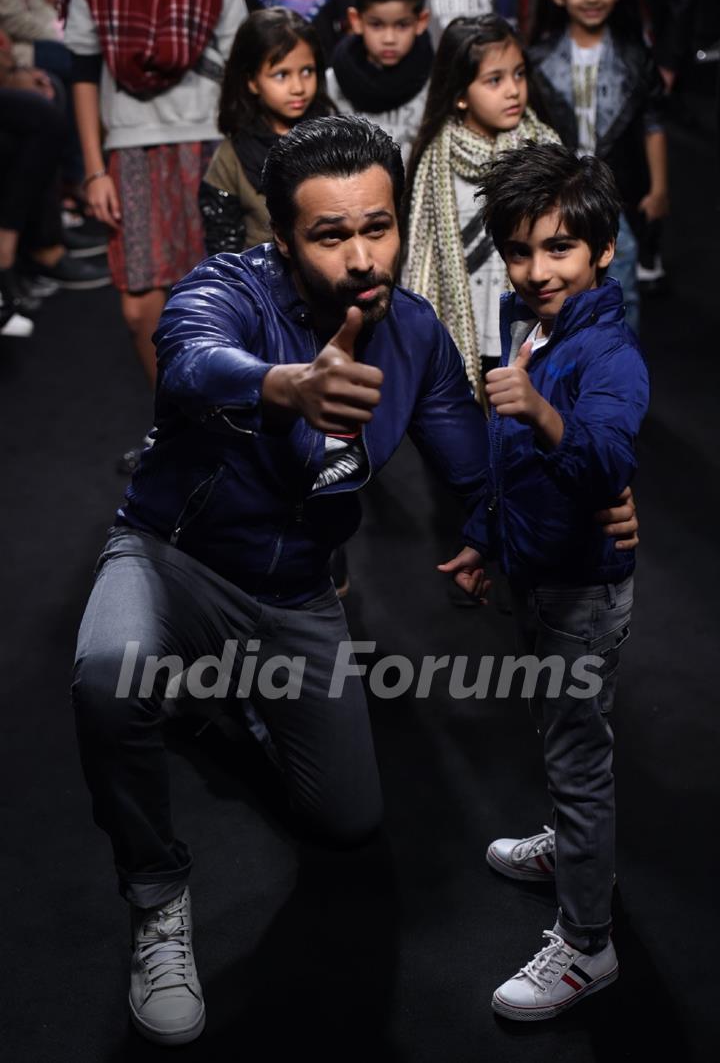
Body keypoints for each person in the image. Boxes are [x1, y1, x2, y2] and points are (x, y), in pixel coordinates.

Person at [71, 115, 639, 1046]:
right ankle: (156, 896)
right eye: (332, 236)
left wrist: (599, 498)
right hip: (174, 557)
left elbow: (477, 474)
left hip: (298, 591)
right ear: (286, 239)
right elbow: (190, 363)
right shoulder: (222, 290)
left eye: (379, 227)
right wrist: (284, 384)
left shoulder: (412, 335)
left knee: (345, 824)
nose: (364, 255)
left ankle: (216, 702)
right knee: (107, 672)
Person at [439, 141, 649, 1020]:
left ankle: (588, 947)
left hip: (580, 591)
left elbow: (605, 461)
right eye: (519, 250)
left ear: (602, 249)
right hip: (536, 574)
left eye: (558, 248)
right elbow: (512, 461)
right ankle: (569, 848)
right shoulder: (530, 329)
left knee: (578, 759)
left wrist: (543, 411)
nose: (535, 269)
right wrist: (484, 540)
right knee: (560, 731)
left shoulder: (608, 355)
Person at [63, 0, 247, 455]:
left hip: (210, 138)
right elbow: (82, 72)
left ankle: (221, 420)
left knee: (219, 289)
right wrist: (92, 170)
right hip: (130, 144)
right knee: (138, 304)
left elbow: (240, 62)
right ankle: (176, 416)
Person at [403, 13, 558, 396]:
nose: (513, 90)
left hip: (534, 325)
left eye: (519, 74)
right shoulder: (435, 161)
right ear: (459, 93)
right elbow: (424, 259)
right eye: (495, 80)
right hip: (464, 331)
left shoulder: (547, 151)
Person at [527, 0, 668, 334]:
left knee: (619, 291)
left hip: (616, 194)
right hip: (557, 191)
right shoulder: (539, 59)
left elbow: (653, 123)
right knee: (557, 293)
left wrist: (659, 188)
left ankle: (619, 372)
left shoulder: (634, 56)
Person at [199, 8, 335, 257]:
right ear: (251, 81)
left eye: (307, 71)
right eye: (281, 75)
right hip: (260, 289)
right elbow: (223, 248)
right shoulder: (231, 158)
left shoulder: (336, 141)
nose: (298, 87)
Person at [326, 0, 433, 164]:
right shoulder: (332, 83)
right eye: (376, 25)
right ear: (356, 21)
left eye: (402, 25)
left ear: (421, 21)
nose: (389, 39)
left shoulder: (436, 82)